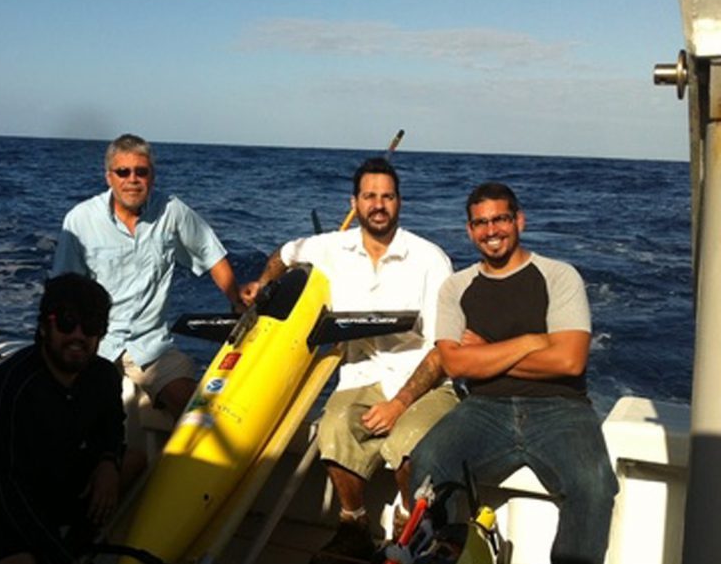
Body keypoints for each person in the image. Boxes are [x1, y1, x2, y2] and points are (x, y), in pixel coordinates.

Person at [240, 157, 456, 564]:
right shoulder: (330, 249)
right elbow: (283, 255)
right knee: (335, 426)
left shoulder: (431, 259)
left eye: (387, 197)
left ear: (400, 203)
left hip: (424, 382)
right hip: (362, 375)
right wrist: (264, 285)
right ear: (354, 202)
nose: (379, 205)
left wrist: (399, 405)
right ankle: (353, 525)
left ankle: (411, 529)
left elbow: (444, 349)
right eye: (369, 196)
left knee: (409, 442)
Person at [409, 182, 618, 564]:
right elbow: (455, 364)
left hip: (562, 408)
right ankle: (445, 554)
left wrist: (484, 352)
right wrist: (534, 341)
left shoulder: (558, 276)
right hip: (483, 407)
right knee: (428, 462)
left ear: (519, 219)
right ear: (470, 230)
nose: (492, 231)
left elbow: (570, 362)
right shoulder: (456, 288)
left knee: (594, 485)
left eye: (501, 219)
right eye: (481, 223)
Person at [52, 133, 243, 475]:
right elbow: (63, 291)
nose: (132, 180)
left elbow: (212, 255)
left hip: (152, 346)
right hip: (98, 346)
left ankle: (185, 490)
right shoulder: (80, 220)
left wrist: (237, 303)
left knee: (198, 415)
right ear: (108, 176)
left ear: (152, 176)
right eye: (123, 172)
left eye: (141, 172)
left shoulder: (172, 212)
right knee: (79, 427)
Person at [0, 273, 124, 564]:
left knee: (135, 461)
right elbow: (4, 488)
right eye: (67, 323)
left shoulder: (103, 376)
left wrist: (109, 462)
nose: (78, 335)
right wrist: (56, 553)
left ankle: (78, 539)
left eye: (90, 326)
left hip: (54, 489)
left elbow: (113, 427)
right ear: (44, 326)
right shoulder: (10, 389)